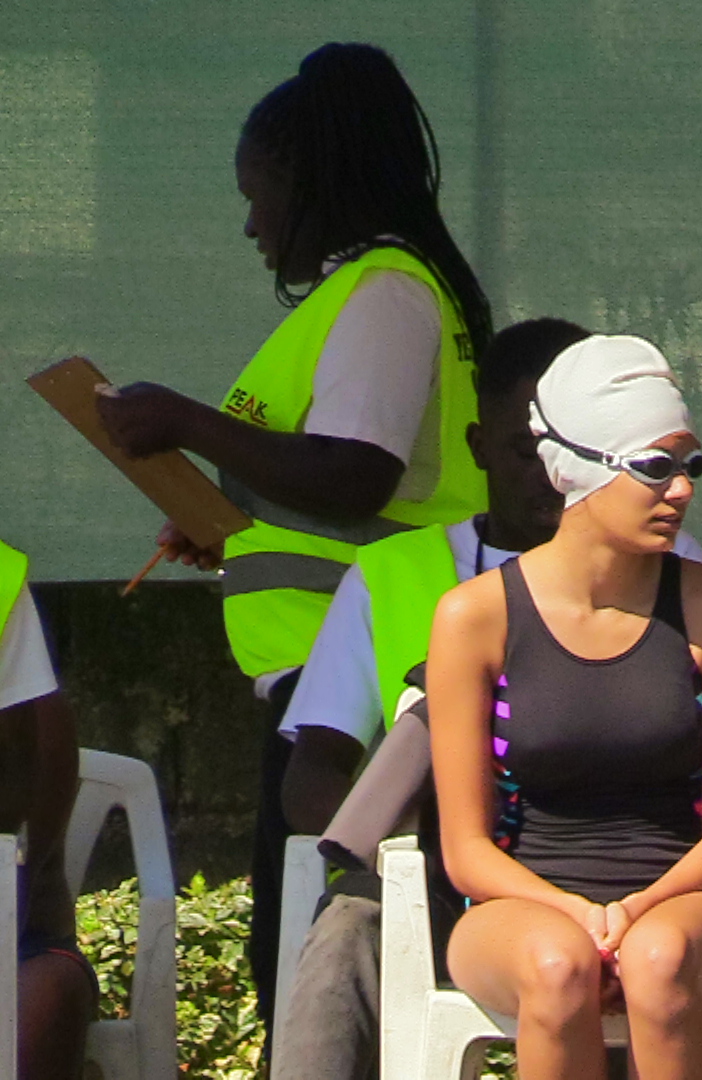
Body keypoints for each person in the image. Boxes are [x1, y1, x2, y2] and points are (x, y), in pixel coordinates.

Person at [93, 42, 495, 1038]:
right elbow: (327, 477)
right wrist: (232, 524)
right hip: (331, 687)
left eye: (256, 193)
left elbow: (356, 475)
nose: (250, 224)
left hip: (361, 688)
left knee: (323, 978)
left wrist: (187, 422)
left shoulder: (385, 294)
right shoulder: (370, 293)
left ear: (306, 182)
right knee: (305, 964)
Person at [269, 319, 702, 1080]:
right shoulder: (394, 575)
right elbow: (311, 778)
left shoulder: (680, 567)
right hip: (444, 875)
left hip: (644, 874)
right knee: (349, 928)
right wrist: (420, 840)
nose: (551, 475)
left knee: (655, 960)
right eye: (526, 450)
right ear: (478, 447)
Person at [429, 335, 702, 1079]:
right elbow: (467, 853)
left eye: (690, 466)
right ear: (579, 469)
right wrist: (579, 917)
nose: (682, 491)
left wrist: (634, 915)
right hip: (521, 906)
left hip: (691, 901)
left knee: (660, 959)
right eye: (653, 467)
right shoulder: (473, 617)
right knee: (558, 967)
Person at [0, 542, 96, 1079]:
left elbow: (36, 747)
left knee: (44, 999)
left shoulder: (2, 580)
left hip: (23, 943)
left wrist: (27, 873)